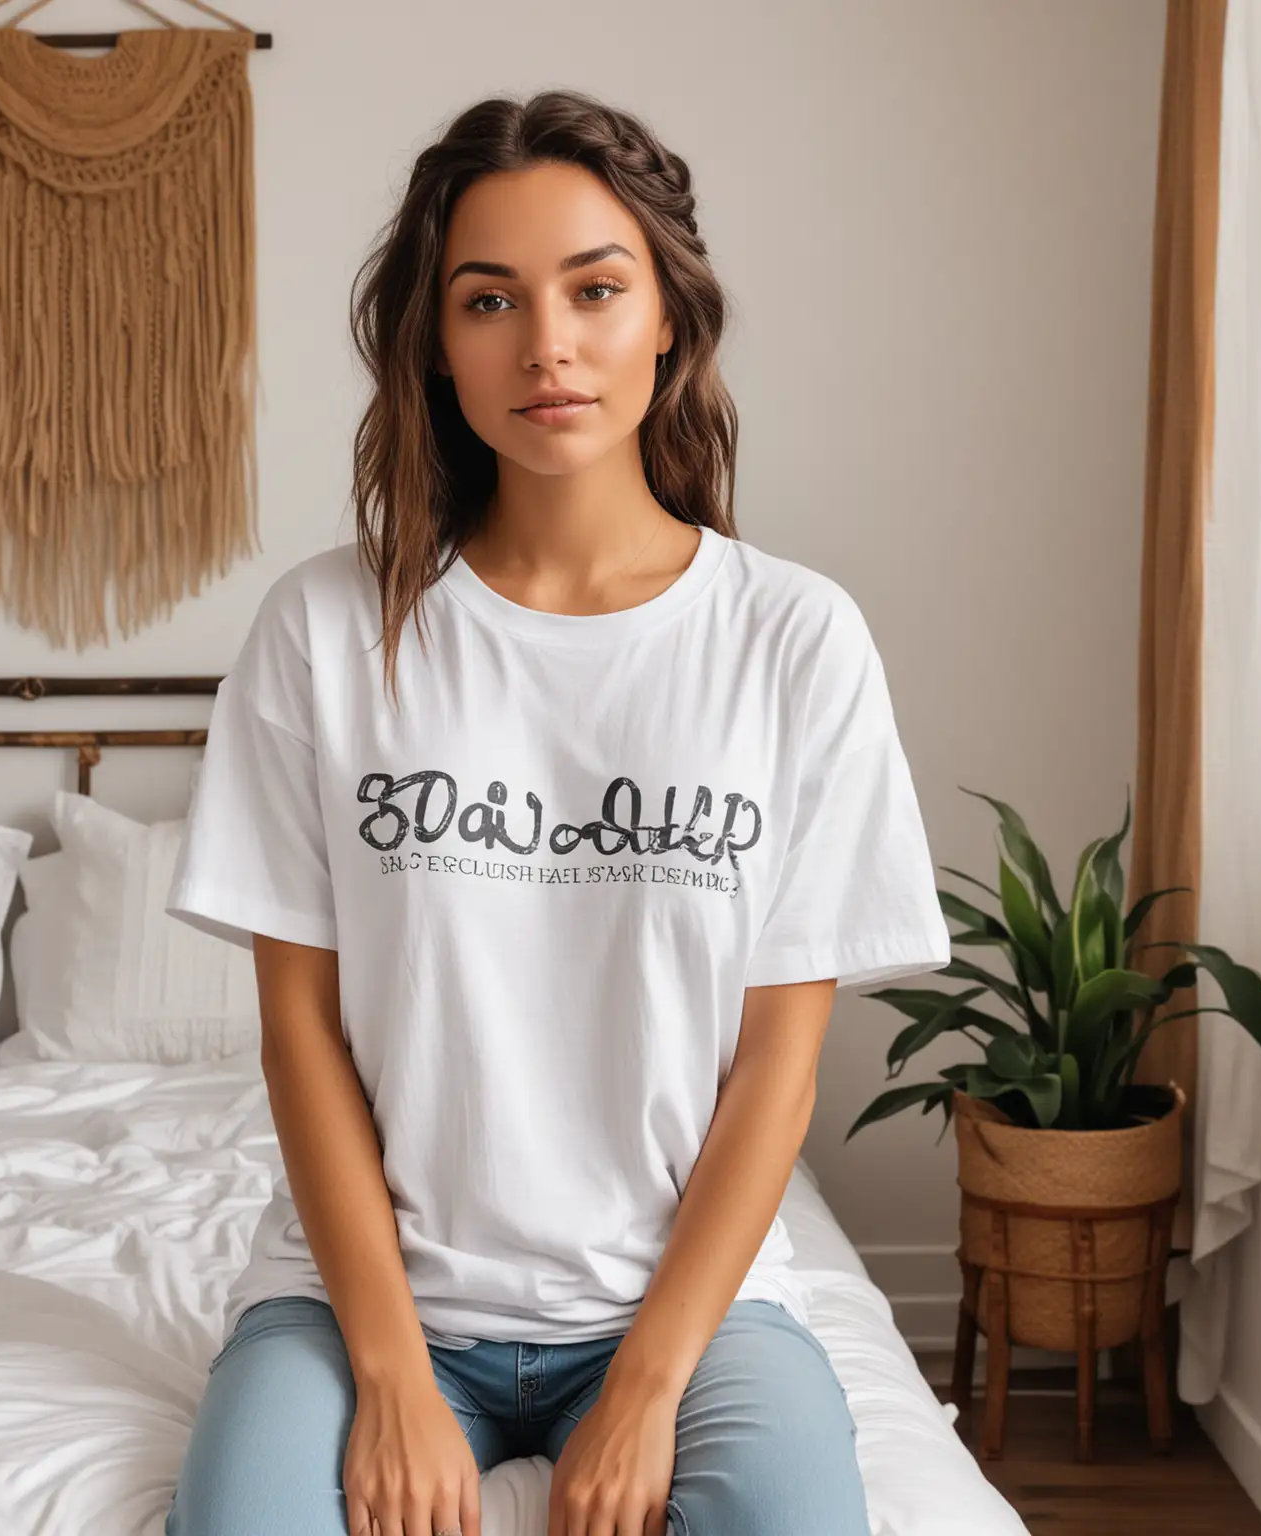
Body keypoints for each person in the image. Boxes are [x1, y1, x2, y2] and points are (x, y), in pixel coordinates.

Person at [163, 87, 951, 1536]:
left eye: (596, 288)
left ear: (669, 316)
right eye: (488, 299)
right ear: (434, 341)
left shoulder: (793, 640)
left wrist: (647, 1387)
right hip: (361, 1312)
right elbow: (299, 1032)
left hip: (683, 1314)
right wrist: (393, 1378)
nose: (548, 345)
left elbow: (778, 1061)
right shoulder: (328, 631)